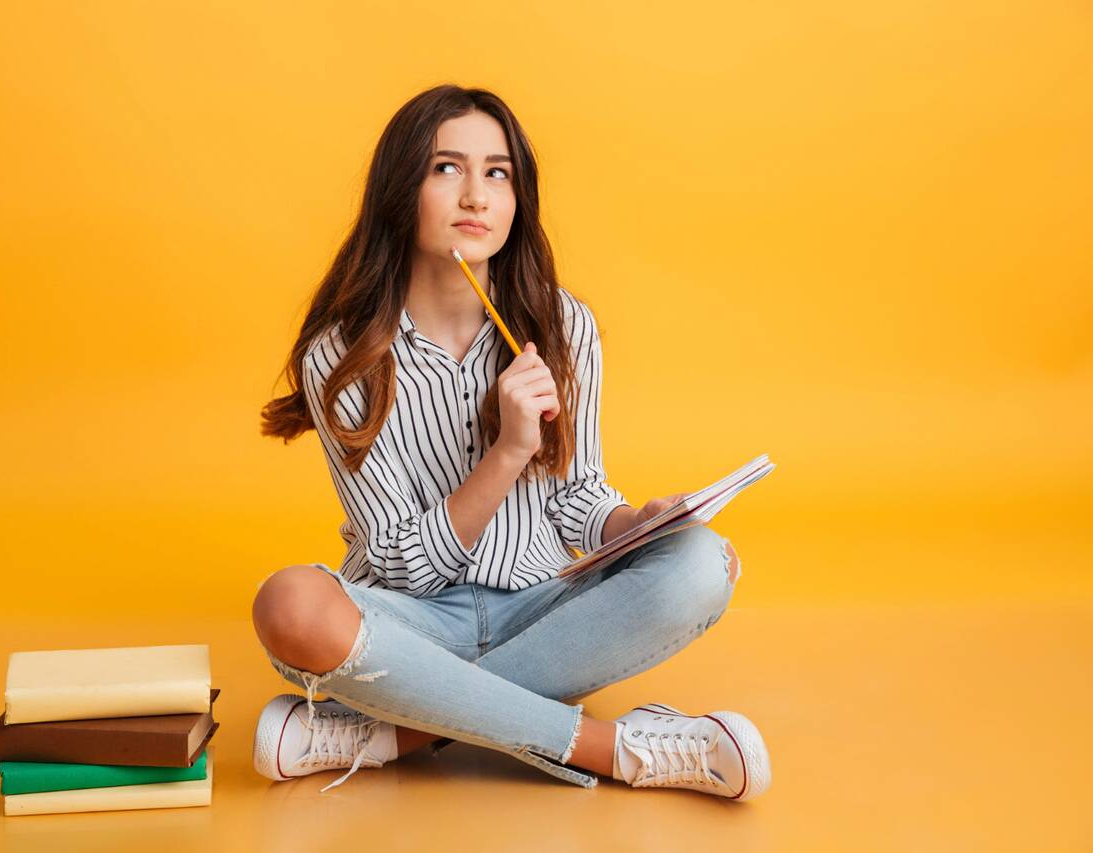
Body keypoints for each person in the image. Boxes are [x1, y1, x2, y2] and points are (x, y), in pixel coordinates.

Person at [252, 84, 770, 799]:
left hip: (544, 606)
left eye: (497, 173)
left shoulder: (563, 327)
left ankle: (398, 729)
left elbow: (578, 499)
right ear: (402, 189)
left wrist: (636, 525)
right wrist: (505, 455)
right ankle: (612, 748)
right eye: (447, 168)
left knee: (704, 563)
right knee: (290, 604)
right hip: (412, 623)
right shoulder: (341, 357)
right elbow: (404, 567)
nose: (476, 195)